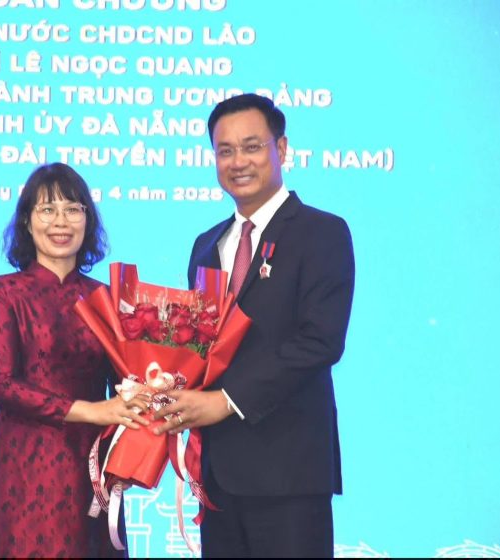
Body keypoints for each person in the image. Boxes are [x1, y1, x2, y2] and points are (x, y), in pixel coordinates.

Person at [154, 93, 355, 558]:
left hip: (288, 471)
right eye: (225, 151)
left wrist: (224, 401)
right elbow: (201, 346)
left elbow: (320, 342)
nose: (238, 161)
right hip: (219, 477)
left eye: (251, 147)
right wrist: (164, 387)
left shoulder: (322, 232)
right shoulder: (207, 245)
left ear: (280, 149)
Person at [0, 162, 149, 558]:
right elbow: (3, 386)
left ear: (88, 219)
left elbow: (128, 380)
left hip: (92, 460)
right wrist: (92, 411)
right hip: (24, 461)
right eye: (47, 209)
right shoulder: (4, 293)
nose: (60, 221)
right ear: (27, 221)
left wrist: (151, 391)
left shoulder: (107, 297)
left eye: (72, 209)